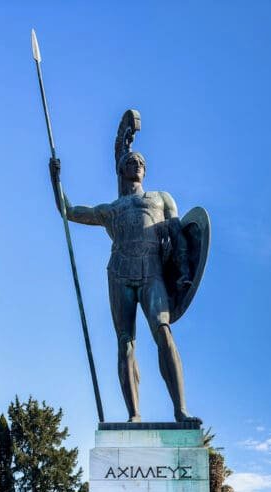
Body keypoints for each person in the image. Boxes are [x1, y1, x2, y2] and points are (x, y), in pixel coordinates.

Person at [50, 151, 200, 424]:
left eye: (142, 162)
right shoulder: (111, 209)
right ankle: (134, 415)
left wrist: (183, 271)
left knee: (164, 333)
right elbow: (69, 212)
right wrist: (55, 179)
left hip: (152, 272)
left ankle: (181, 410)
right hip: (119, 273)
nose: (138, 165)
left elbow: (179, 235)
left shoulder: (160, 198)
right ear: (121, 169)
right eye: (132, 161)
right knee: (125, 344)